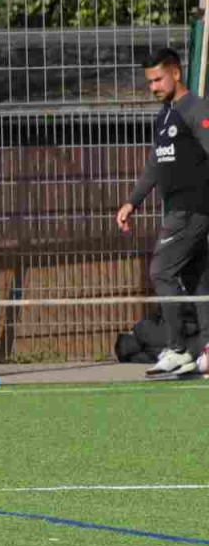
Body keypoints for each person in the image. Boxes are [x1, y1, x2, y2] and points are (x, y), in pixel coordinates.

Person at [116, 47, 209, 378]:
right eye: (149, 82)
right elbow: (156, 163)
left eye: (158, 79)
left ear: (176, 73)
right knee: (196, 277)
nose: (153, 86)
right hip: (176, 211)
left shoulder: (196, 109)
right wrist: (132, 201)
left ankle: (179, 348)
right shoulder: (165, 115)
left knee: (161, 272)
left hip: (189, 211)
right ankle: (208, 350)